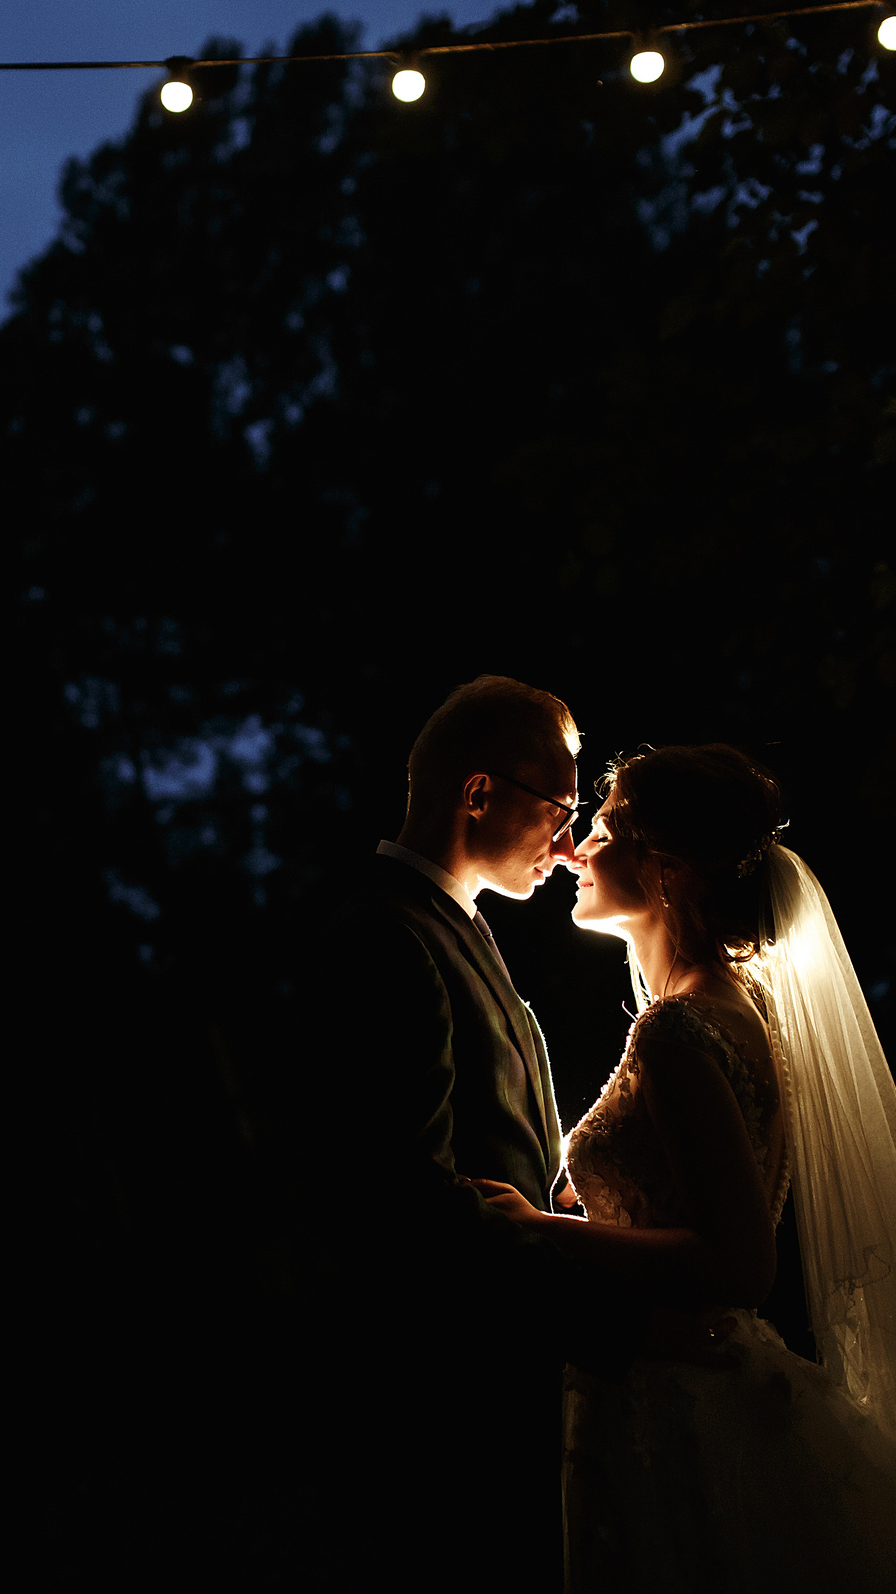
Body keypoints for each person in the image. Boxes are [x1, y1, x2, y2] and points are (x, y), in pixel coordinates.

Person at [466, 744, 896, 1592]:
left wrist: (535, 1227)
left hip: (679, 1407)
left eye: (602, 829)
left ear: (666, 870)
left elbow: (737, 1262)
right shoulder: (730, 1004)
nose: (576, 850)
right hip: (689, 1378)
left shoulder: (678, 1031)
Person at [297, 675, 600, 1592]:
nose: (570, 841)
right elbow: (400, 1191)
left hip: (511, 1379)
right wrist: (580, 1256)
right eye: (559, 807)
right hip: (450, 1392)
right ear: (478, 792)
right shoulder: (386, 937)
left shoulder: (452, 926)